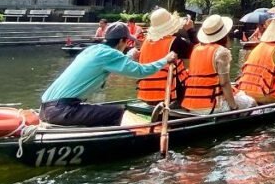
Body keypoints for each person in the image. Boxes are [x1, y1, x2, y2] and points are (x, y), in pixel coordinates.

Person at [40, 21, 176, 127]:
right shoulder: (111, 54)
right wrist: (165, 59)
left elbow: (111, 63)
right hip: (62, 110)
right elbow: (141, 72)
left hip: (45, 108)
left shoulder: (93, 49)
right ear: (123, 41)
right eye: (127, 41)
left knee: (104, 110)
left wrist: (129, 55)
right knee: (117, 113)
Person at [181, 14, 239, 114]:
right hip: (211, 106)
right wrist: (234, 107)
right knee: (250, 102)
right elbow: (224, 83)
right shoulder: (221, 52)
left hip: (190, 105)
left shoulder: (196, 49)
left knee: (237, 92)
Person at [136, 7, 196, 104]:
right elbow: (199, 52)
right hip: (169, 97)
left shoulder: (147, 41)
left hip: (146, 96)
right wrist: (190, 30)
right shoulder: (176, 42)